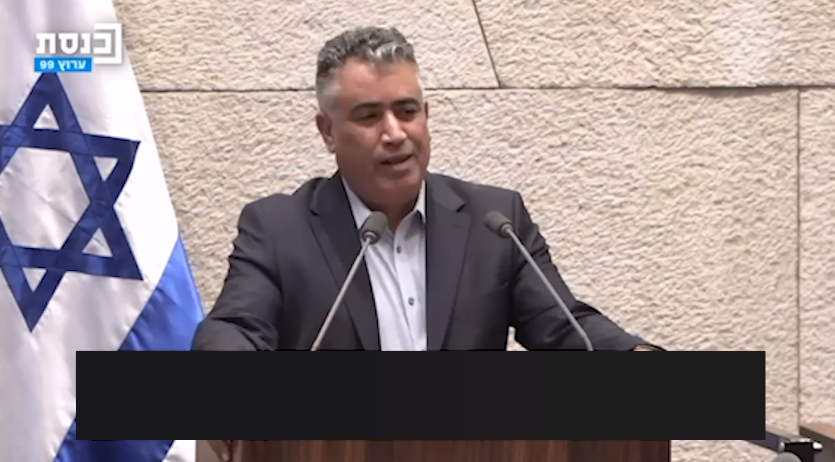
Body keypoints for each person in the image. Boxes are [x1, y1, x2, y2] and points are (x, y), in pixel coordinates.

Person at [190, 26, 661, 352]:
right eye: (369, 116)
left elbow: (565, 326)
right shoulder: (279, 229)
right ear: (328, 131)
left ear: (426, 116)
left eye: (407, 111)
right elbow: (235, 328)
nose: (395, 133)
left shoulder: (495, 222)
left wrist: (634, 355)